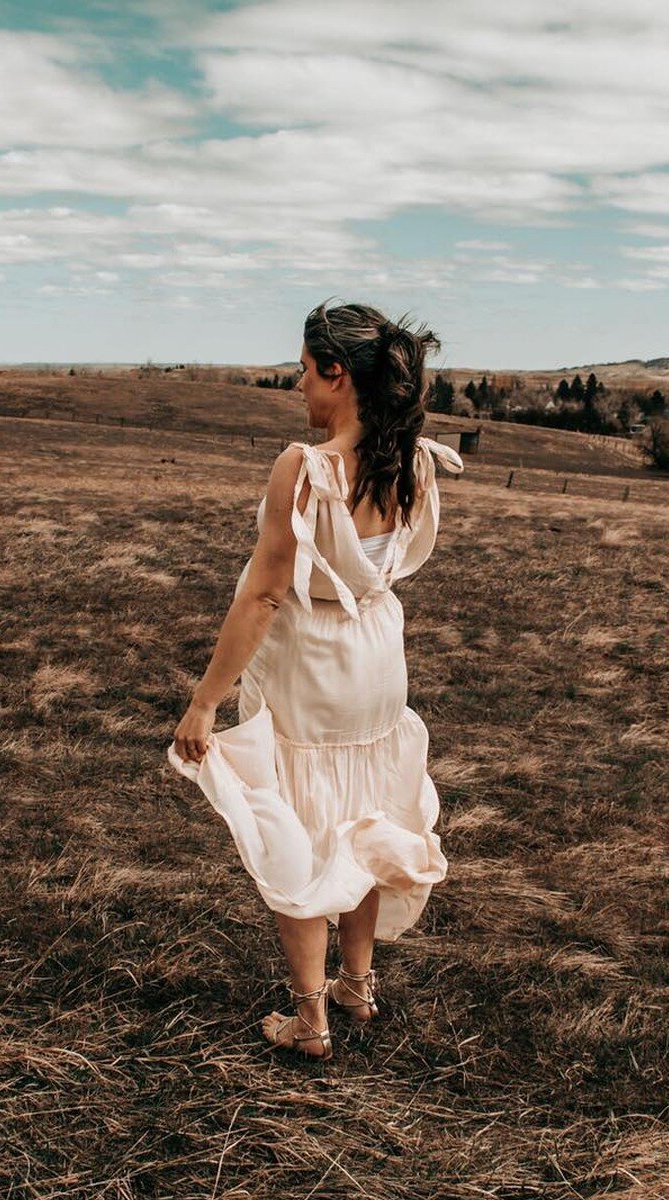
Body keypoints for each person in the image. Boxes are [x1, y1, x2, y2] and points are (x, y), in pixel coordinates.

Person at [167, 300, 463, 1062]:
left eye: (305, 369)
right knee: (362, 814)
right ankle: (357, 986)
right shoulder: (413, 460)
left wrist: (205, 702)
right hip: (375, 664)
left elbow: (264, 594)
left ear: (338, 374)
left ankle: (310, 1017)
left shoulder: (307, 467)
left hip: (311, 667)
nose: (299, 384)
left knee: (294, 827)